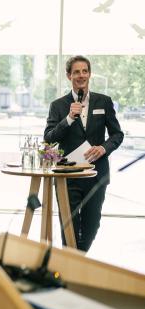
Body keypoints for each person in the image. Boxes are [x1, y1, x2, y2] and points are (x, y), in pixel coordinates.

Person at [44, 55, 124, 252]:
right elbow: (49, 138)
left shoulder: (104, 102)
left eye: (85, 71)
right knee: (68, 223)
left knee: (92, 223)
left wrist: (104, 147)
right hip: (68, 176)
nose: (81, 75)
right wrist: (70, 118)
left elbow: (117, 134)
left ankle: (76, 260)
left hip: (96, 174)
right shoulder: (58, 105)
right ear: (68, 75)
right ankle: (71, 268)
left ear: (89, 74)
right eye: (77, 72)